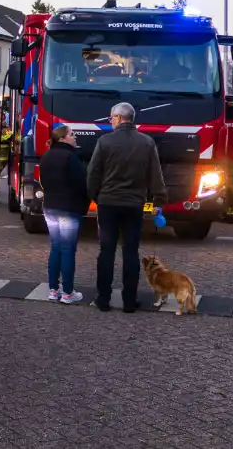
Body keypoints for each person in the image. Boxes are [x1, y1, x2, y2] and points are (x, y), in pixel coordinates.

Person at [86, 102, 167, 312]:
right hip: (134, 204)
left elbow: (93, 173)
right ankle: (129, 301)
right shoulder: (147, 142)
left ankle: (103, 299)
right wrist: (158, 200)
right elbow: (155, 175)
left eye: (112, 117)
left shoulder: (105, 141)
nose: (111, 121)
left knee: (106, 251)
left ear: (120, 118)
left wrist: (95, 195)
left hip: (108, 203)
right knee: (130, 251)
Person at [39, 124, 90, 304]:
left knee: (55, 247)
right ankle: (68, 292)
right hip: (69, 209)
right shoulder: (71, 157)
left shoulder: (46, 156)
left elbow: (43, 181)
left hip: (50, 207)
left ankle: (53, 289)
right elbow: (82, 184)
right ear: (62, 138)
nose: (75, 137)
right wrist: (84, 204)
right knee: (68, 250)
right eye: (72, 134)